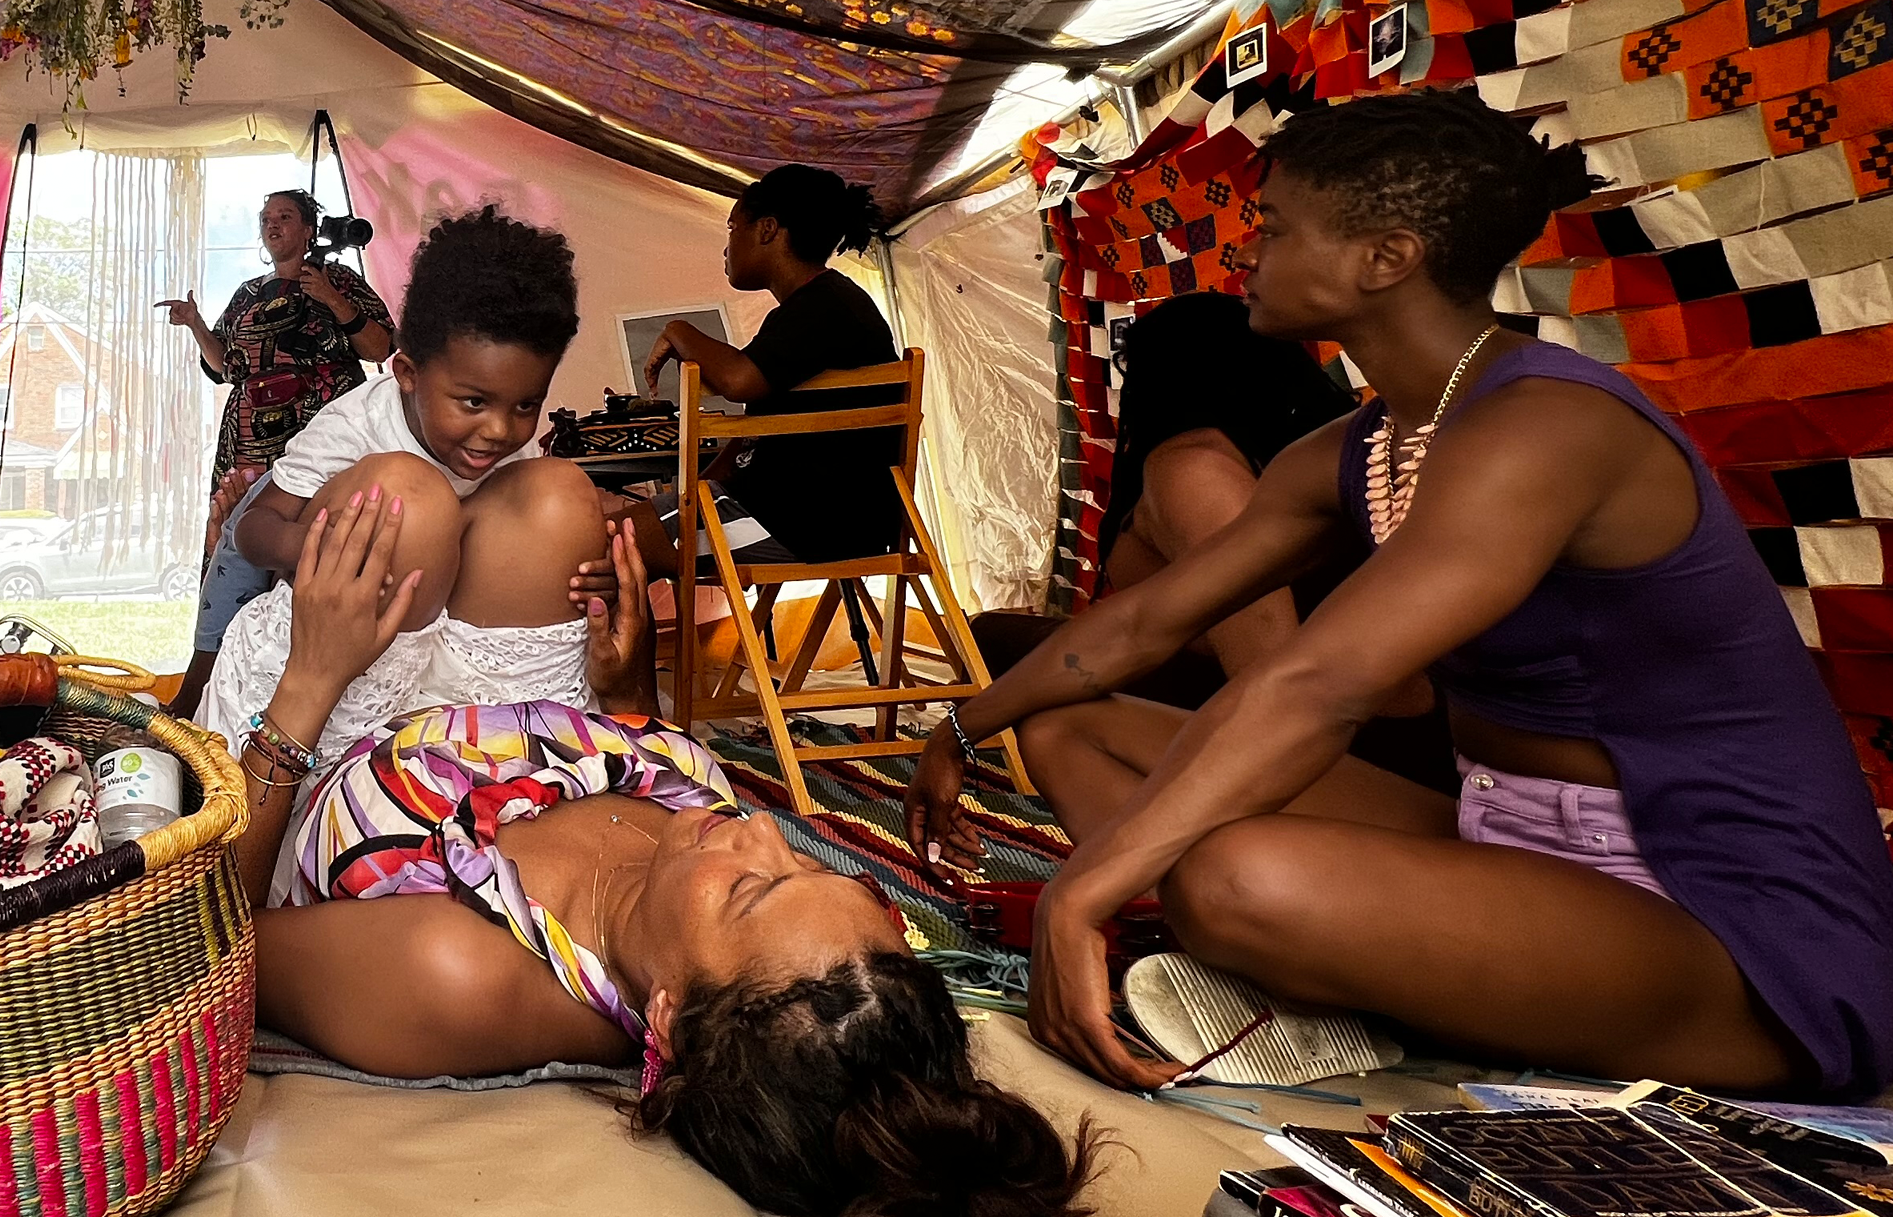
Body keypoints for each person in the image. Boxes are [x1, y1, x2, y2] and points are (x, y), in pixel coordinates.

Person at [905, 91, 1893, 1099]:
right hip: (1501, 834)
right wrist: (962, 724)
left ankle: (1341, 979)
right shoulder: (1363, 443)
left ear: (1386, 258)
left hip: (1719, 910)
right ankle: (1357, 985)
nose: (1248, 250)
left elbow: (1319, 684)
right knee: (1073, 729)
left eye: (1276, 226)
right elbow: (1146, 620)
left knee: (1231, 878)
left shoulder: (1545, 423)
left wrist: (1081, 893)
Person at [232, 489, 1096, 1216]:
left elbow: (217, 935)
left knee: (404, 501)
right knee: (558, 505)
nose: (764, 831)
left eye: (753, 889)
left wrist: (312, 674)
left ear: (668, 1017)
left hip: (311, 746)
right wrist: (627, 695)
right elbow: (663, 772)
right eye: (810, 863)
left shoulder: (458, 967)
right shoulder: (692, 873)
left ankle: (242, 536)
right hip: (491, 718)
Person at [970, 292, 1449, 789]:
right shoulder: (1305, 452)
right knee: (999, 636)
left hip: (1353, 736)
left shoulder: (1196, 469)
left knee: (1030, 687)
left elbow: (1265, 667)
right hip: (1346, 709)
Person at [193, 205, 616, 755]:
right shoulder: (355, 424)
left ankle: (467, 741)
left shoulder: (505, 441)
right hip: (348, 639)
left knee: (548, 490)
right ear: (408, 373)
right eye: (474, 401)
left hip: (442, 642)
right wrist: (317, 544)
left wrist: (589, 577)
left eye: (526, 404)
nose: (498, 429)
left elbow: (502, 534)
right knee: (411, 499)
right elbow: (253, 527)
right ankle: (198, 705)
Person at [161, 189, 396, 716]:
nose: (272, 225)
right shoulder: (246, 294)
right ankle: (219, 689)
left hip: (320, 440)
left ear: (309, 228)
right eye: (265, 217)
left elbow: (382, 349)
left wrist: (333, 301)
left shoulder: (339, 281)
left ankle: (289, 688)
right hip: (248, 440)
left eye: (284, 216)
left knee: (302, 554)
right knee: (233, 546)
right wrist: (197, 325)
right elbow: (224, 367)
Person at [620, 164, 904, 573]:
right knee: (613, 551)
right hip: (822, 516)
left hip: (803, 521)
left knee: (604, 545)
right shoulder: (820, 306)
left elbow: (738, 380)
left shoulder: (823, 307)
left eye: (733, 228)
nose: (726, 246)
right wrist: (695, 490)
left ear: (768, 229)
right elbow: (760, 429)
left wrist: (679, 330)